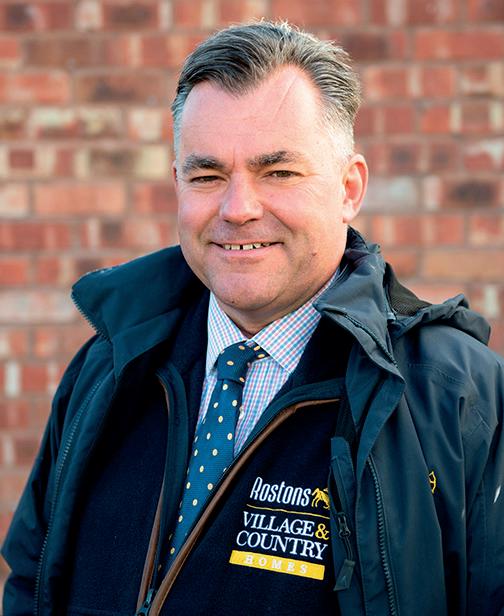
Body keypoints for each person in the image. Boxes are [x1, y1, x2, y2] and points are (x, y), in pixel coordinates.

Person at [2, 20, 504, 616]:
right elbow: (32, 584)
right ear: (178, 186)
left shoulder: (453, 397)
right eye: (207, 175)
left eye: (278, 173)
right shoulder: (109, 368)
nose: (238, 208)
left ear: (349, 188)